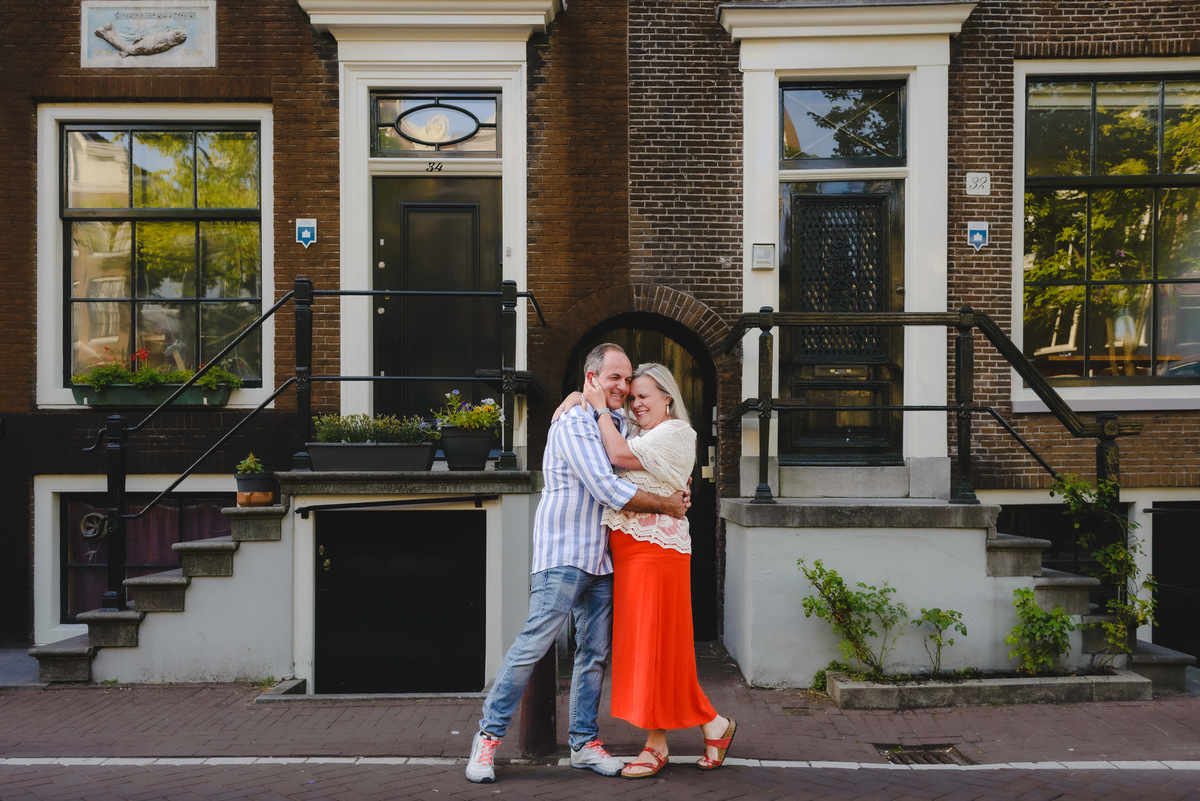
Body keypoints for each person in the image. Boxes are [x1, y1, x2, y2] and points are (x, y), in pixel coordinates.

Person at [465, 343, 691, 784]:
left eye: (628, 380)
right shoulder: (572, 423)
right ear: (592, 380)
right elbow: (608, 487)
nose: (624, 388)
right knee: (532, 646)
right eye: (614, 379)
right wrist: (668, 504)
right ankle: (487, 740)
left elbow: (641, 452)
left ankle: (584, 745)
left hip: (603, 560)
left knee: (593, 657)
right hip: (564, 555)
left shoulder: (616, 418)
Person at [578, 362, 736, 779]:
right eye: (634, 397)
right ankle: (712, 725)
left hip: (657, 553)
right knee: (649, 646)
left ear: (668, 396)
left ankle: (656, 744)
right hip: (632, 555)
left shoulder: (677, 433)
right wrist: (576, 397)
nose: (637, 403)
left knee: (655, 645)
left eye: (645, 395)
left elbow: (617, 456)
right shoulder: (640, 433)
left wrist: (594, 407)